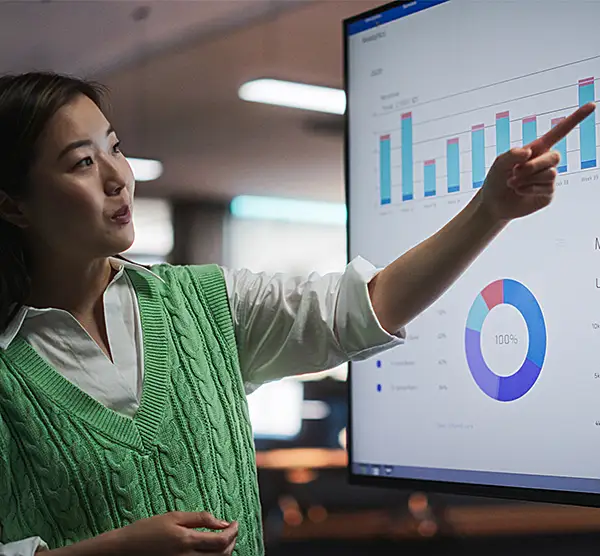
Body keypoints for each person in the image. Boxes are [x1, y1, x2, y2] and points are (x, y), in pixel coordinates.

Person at [0, 71, 592, 556]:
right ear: (13, 205)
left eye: (115, 147)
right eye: (81, 162)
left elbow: (368, 306)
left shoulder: (202, 305)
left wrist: (489, 210)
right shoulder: (10, 369)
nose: (117, 178)